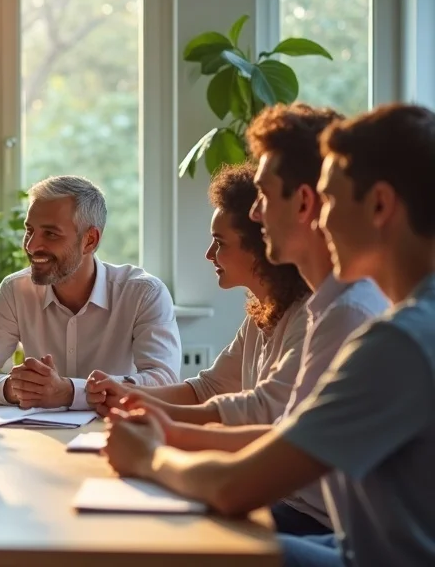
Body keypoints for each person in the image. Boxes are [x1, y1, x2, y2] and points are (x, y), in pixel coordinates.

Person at [102, 103, 435, 567]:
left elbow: (233, 487)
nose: (320, 220)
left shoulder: (396, 341)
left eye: (330, 201)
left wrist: (150, 456)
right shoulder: (402, 324)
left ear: (380, 205)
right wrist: (171, 433)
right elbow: (287, 434)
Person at [86, 164, 310, 425]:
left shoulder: (306, 317)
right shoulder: (259, 317)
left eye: (220, 242)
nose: (209, 254)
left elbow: (266, 412)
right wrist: (127, 395)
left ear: (259, 247)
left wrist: (148, 411)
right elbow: (207, 389)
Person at [0, 175, 182, 411]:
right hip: (36, 430)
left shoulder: (143, 293)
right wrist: (14, 388)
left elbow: (164, 381)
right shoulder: (15, 291)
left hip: (116, 427)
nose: (31, 246)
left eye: (50, 234)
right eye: (29, 231)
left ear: (90, 240)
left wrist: (70, 392)